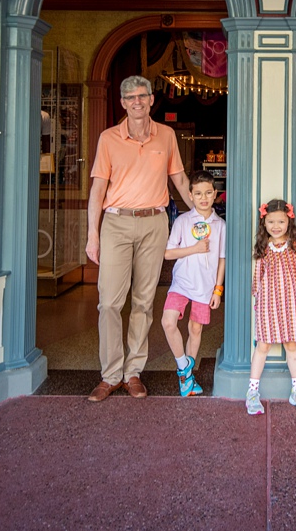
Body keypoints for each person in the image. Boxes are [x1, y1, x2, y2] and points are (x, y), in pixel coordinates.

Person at [85, 75, 192, 402]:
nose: (137, 101)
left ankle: (132, 372)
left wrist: (206, 217)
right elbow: (98, 190)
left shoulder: (167, 135)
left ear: (150, 100)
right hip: (116, 224)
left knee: (144, 303)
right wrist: (93, 234)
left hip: (154, 223)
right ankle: (110, 374)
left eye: (142, 96)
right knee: (110, 303)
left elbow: (181, 180)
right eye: (130, 97)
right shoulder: (108, 139)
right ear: (122, 102)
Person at [246, 199, 296, 415]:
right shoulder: (263, 247)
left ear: (289, 221)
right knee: (263, 346)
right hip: (268, 304)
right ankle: (252, 391)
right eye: (271, 222)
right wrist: (256, 297)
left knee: (291, 345)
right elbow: (257, 278)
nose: (276, 226)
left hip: (292, 304)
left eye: (281, 221)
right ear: (264, 224)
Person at [161, 171, 226, 397]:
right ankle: (184, 366)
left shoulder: (220, 225)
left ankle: (186, 380)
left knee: (195, 329)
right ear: (190, 195)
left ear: (215, 194)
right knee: (168, 322)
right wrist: (194, 249)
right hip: (181, 283)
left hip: (205, 286)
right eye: (198, 194)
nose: (204, 198)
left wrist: (218, 289)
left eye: (208, 193)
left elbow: (222, 259)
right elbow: (168, 253)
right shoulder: (182, 221)